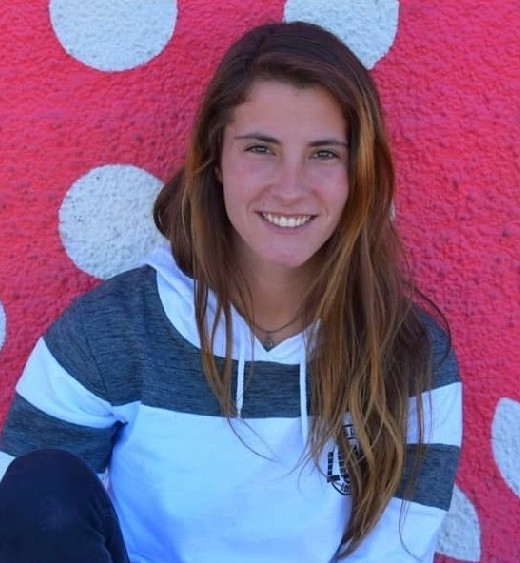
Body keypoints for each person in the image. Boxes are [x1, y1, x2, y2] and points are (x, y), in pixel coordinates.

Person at [0, 21, 462, 562]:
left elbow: (396, 551)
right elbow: (27, 522)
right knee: (41, 485)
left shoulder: (410, 353)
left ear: (357, 173)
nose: (290, 189)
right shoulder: (110, 334)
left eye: (323, 154)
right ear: (215, 159)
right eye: (261, 148)